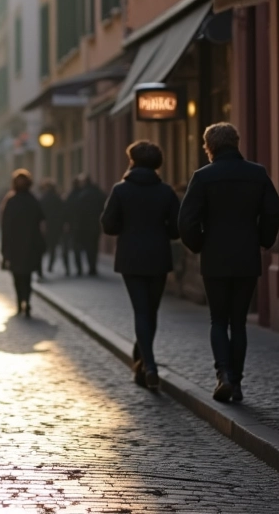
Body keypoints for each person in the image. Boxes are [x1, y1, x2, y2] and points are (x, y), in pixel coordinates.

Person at [179, 123, 279, 403]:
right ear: (236, 143)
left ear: (209, 146)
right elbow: (274, 211)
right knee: (238, 322)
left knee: (218, 319)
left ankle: (223, 374)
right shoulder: (257, 173)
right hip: (247, 256)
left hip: (215, 257)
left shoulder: (203, 177)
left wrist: (200, 244)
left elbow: (186, 221)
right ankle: (235, 383)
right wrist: (262, 240)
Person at [101, 141, 180, 390]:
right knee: (150, 311)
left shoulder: (121, 190)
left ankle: (149, 365)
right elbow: (176, 229)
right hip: (158, 257)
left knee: (141, 311)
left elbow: (108, 226)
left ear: (132, 161)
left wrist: (129, 226)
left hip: (130, 258)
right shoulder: (166, 191)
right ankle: (142, 364)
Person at [0, 170, 45, 317]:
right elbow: (41, 220)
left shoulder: (11, 201)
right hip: (30, 245)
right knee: (27, 277)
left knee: (18, 277)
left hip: (15, 246)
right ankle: (26, 301)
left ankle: (20, 303)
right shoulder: (33, 200)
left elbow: (5, 227)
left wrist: (4, 249)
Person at [74, 175, 107, 276]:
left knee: (89, 247)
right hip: (96, 223)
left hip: (86, 225)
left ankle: (91, 267)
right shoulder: (98, 193)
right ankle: (93, 267)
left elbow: (79, 212)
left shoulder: (83, 195)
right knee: (94, 246)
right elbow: (105, 206)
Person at [39, 180, 65, 275]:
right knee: (53, 248)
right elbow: (62, 213)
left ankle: (41, 269)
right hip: (55, 227)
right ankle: (50, 265)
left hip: (45, 227)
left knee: (43, 249)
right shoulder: (57, 198)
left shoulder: (43, 198)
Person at [62, 177, 83, 275]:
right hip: (79, 225)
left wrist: (65, 223)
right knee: (77, 248)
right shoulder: (82, 195)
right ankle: (79, 269)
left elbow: (65, 211)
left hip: (70, 226)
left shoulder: (69, 196)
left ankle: (68, 269)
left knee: (67, 249)